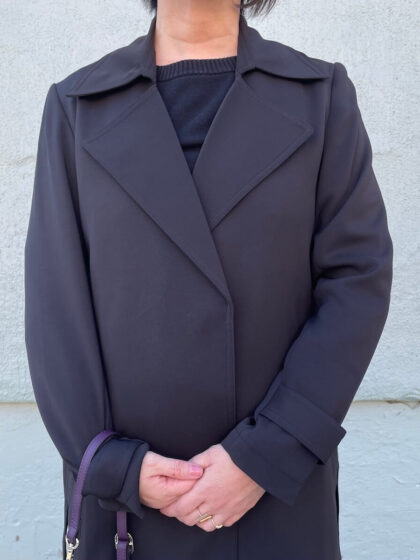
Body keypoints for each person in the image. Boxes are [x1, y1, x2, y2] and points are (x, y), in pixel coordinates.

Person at [24, 1, 393, 559]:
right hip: (127, 512)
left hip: (274, 496)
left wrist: (266, 453)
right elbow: (56, 307)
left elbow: (357, 282)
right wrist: (113, 466)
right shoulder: (78, 107)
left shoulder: (320, 97)